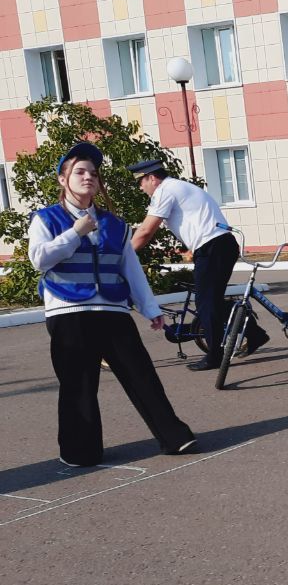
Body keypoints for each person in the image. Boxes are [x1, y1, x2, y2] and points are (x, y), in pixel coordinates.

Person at [28, 141, 197, 467]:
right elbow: (40, 259)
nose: (88, 177)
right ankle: (80, 451)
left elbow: (130, 269)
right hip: (69, 312)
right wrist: (75, 232)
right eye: (79, 171)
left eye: (93, 172)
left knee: (142, 374)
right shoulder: (46, 219)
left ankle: (174, 437)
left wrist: (150, 308)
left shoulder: (115, 225)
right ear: (63, 179)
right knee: (78, 383)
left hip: (112, 309)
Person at [129, 159, 268, 371]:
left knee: (206, 303)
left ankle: (215, 356)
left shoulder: (165, 191)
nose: (140, 188)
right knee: (210, 300)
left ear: (152, 178)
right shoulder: (176, 187)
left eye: (141, 182)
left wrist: (124, 255)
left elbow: (146, 231)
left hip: (214, 247)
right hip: (217, 246)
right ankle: (254, 333)